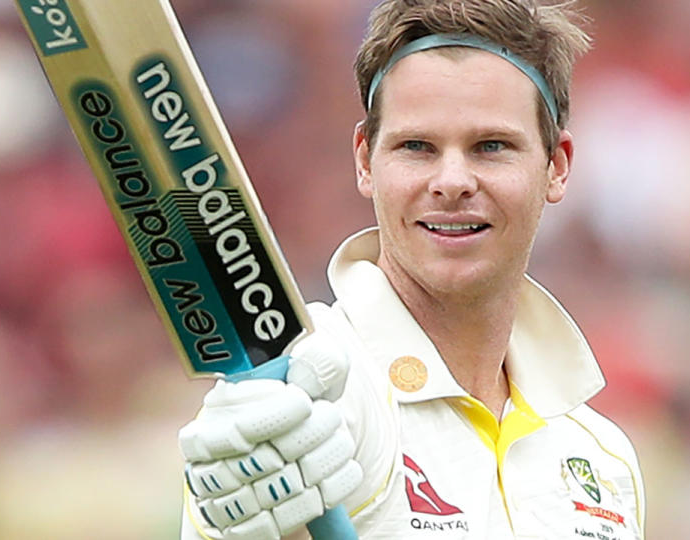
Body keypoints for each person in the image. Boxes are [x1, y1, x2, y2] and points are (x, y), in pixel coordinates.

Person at [179, 1, 646, 538]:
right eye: (417, 147)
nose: (452, 181)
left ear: (556, 165)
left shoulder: (603, 458)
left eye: (490, 147)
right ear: (364, 160)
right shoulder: (317, 386)